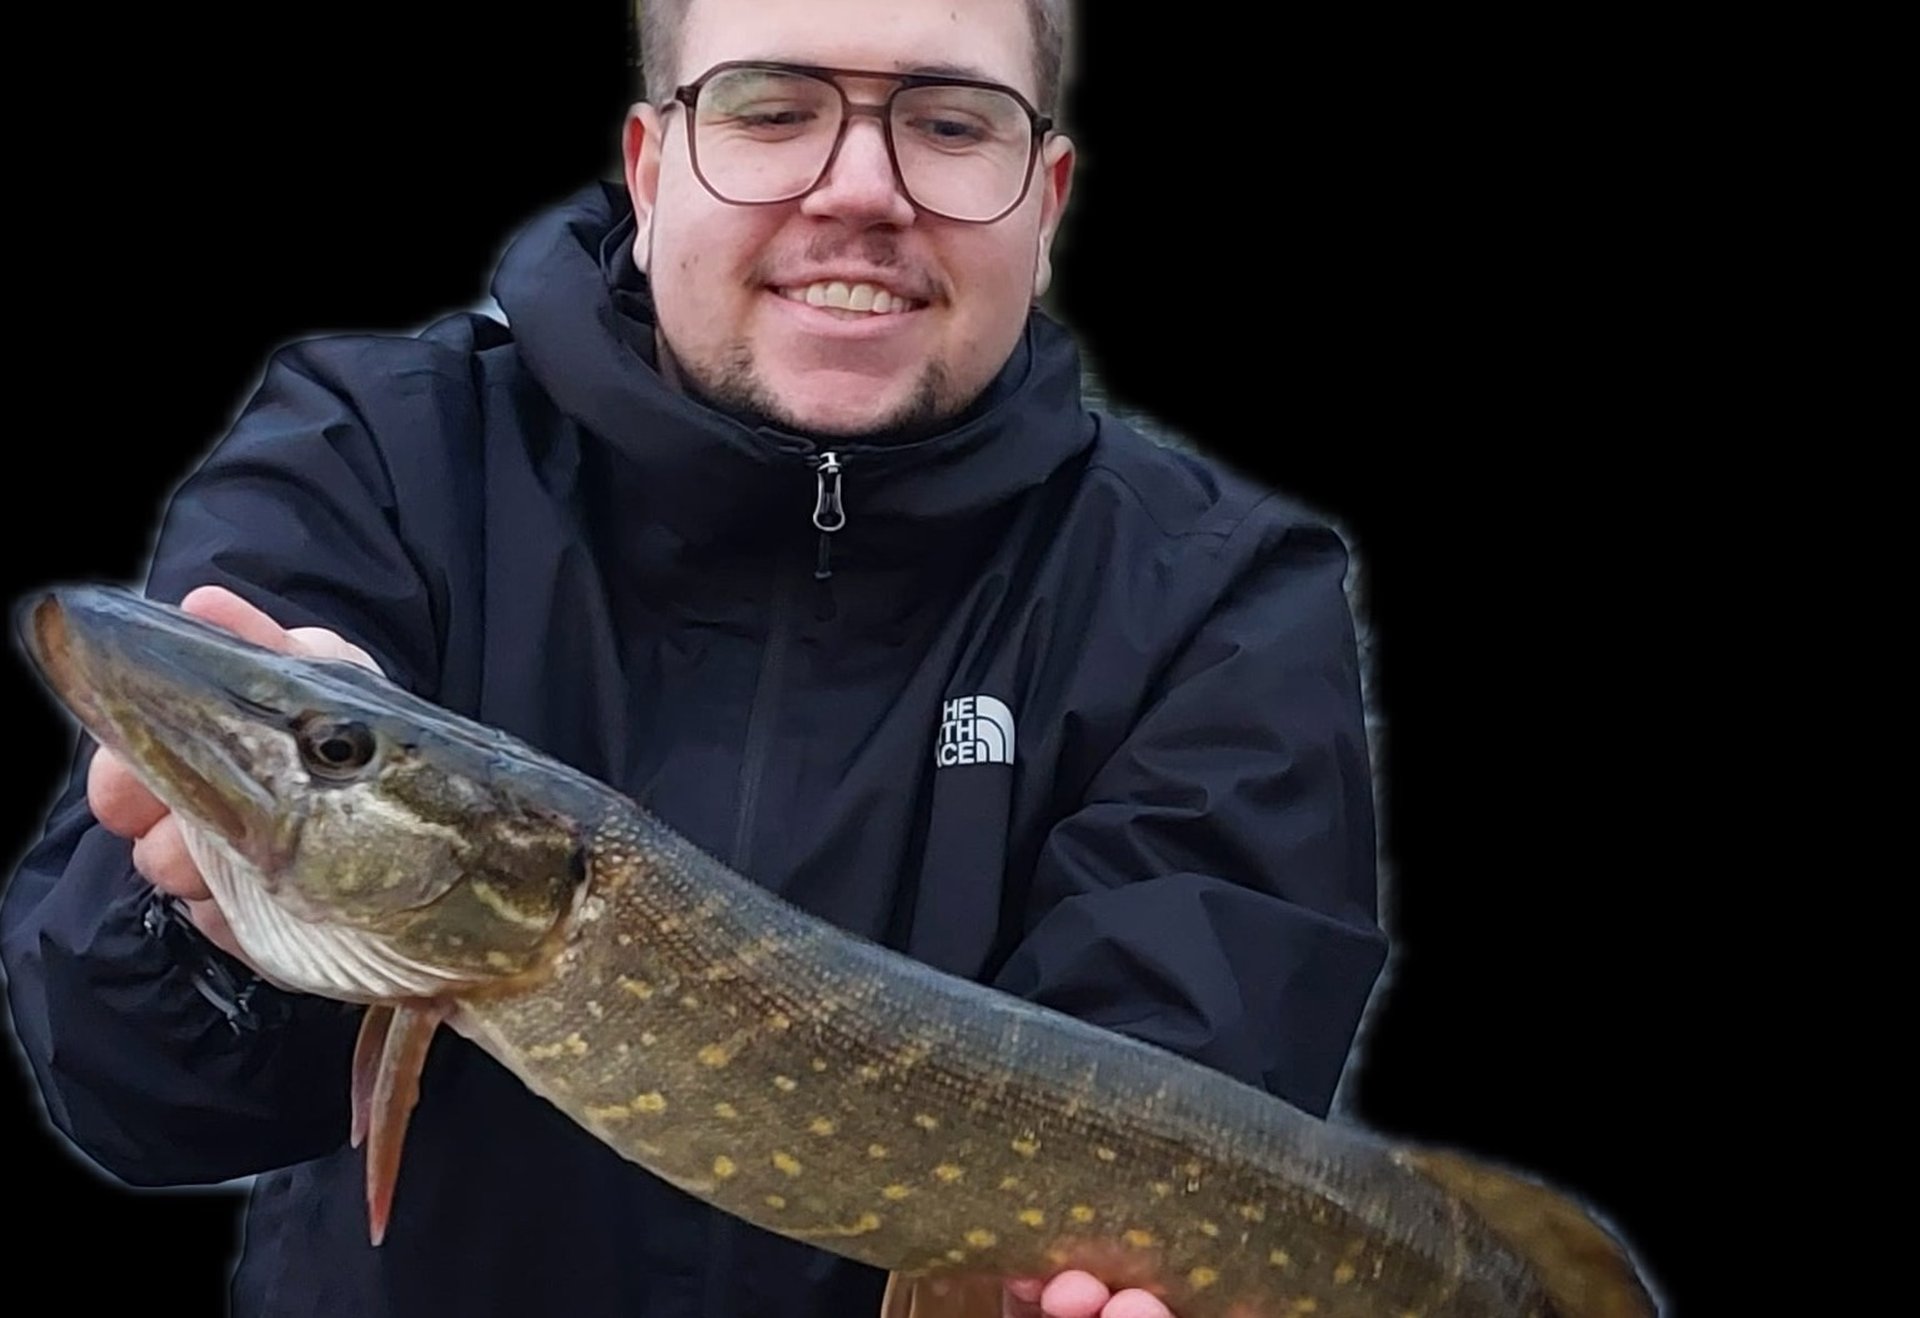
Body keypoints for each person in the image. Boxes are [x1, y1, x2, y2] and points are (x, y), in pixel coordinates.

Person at [0, 0, 1388, 1314]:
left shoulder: (1220, 597)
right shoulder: (371, 457)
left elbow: (1177, 1104)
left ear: (1049, 196)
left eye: (954, 124)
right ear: (653, 163)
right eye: (772, 110)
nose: (861, 189)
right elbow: (136, 1096)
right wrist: (198, 917)